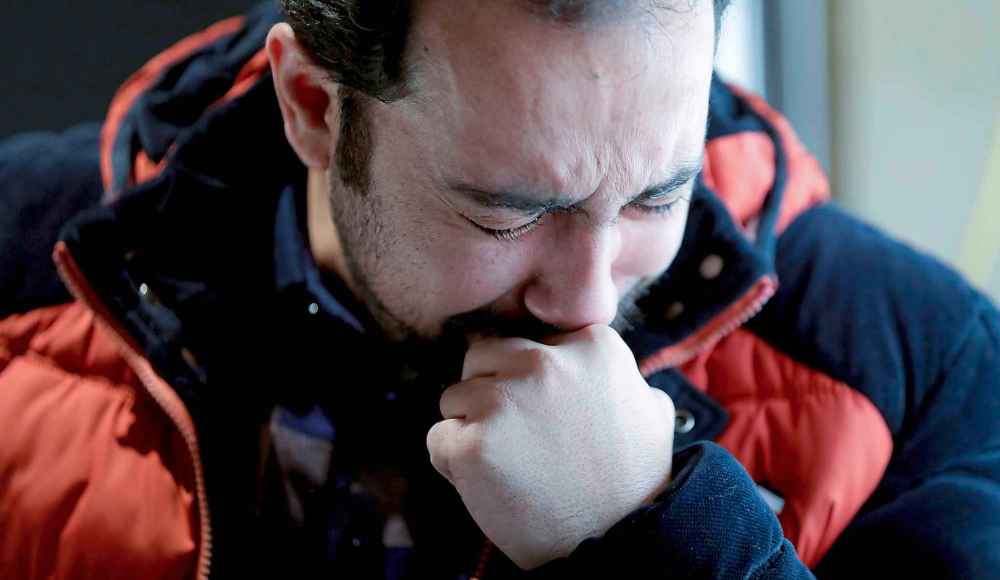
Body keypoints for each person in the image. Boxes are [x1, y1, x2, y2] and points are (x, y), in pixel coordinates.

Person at [1, 1, 998, 578]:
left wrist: (646, 533)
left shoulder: (925, 370)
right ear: (312, 105)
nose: (587, 306)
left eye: (660, 196)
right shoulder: (16, 265)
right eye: (510, 214)